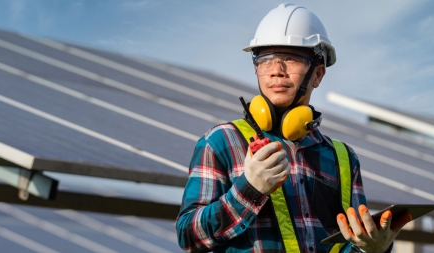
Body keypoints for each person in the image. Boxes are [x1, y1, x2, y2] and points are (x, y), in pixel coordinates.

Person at [176, 4, 410, 252]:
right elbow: (188, 236)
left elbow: (349, 244)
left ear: (318, 74)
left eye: (291, 59)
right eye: (266, 60)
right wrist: (249, 189)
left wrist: (374, 249)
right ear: (256, 69)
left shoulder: (343, 158)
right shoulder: (221, 141)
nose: (277, 71)